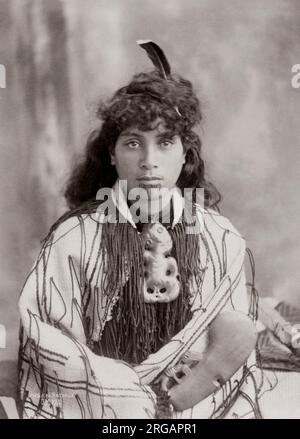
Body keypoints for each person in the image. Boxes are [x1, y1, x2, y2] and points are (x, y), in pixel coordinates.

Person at [17, 42, 261, 419]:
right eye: (133, 143)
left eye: (165, 143)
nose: (149, 162)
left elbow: (229, 359)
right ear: (112, 154)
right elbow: (49, 342)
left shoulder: (220, 238)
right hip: (99, 406)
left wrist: (177, 407)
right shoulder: (74, 238)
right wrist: (127, 397)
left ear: (186, 153)